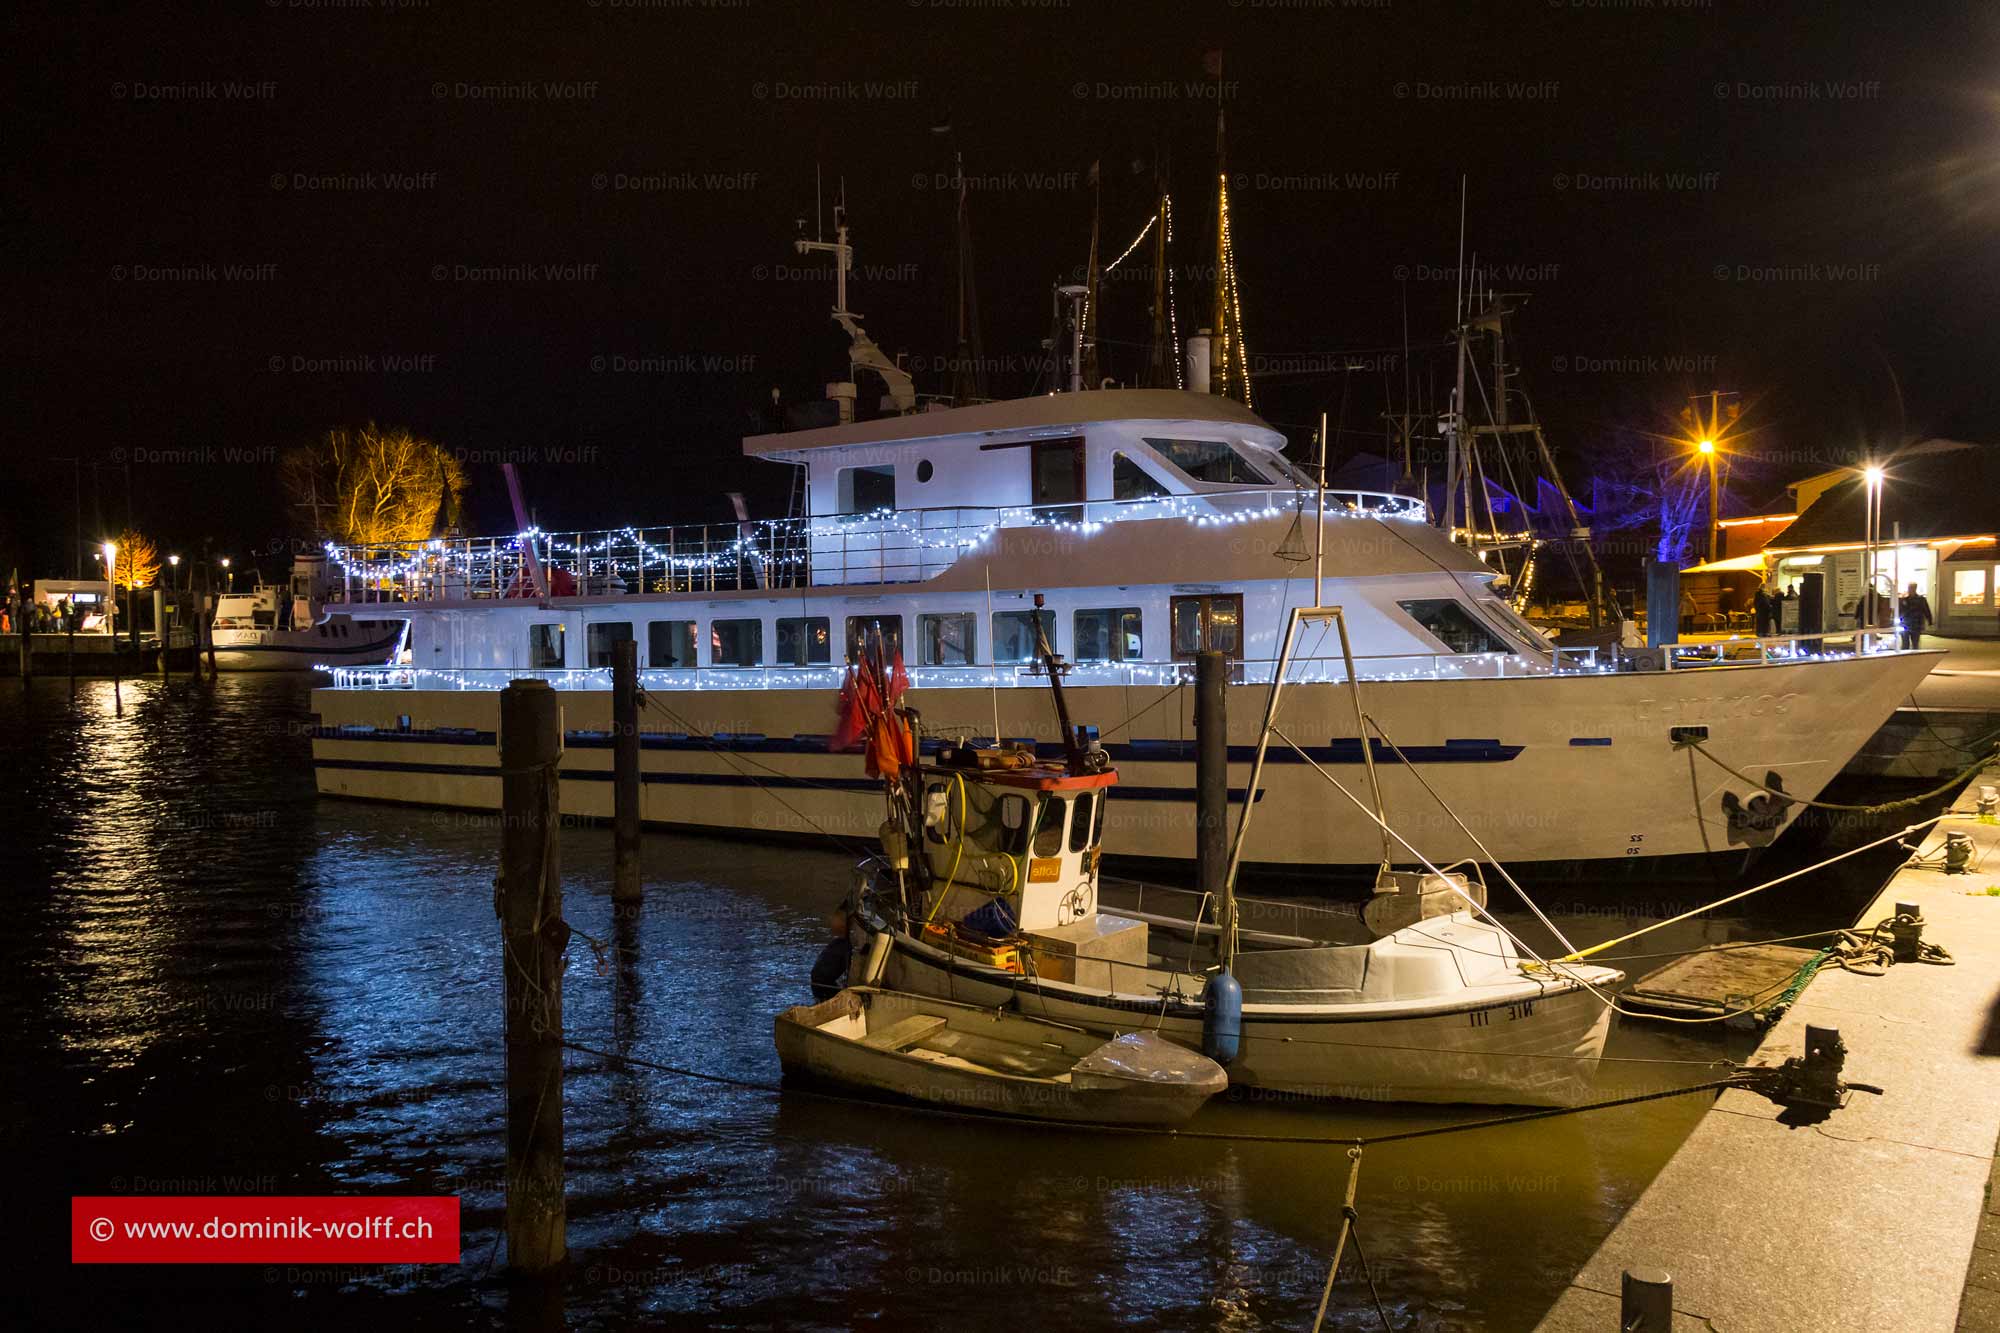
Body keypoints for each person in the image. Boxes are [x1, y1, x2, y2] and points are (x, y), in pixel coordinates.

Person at [1898, 582, 1934, 650]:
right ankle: (1905, 656)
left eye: (1911, 588)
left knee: (1915, 642)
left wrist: (1930, 620)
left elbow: (1926, 610)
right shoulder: (1904, 599)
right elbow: (1899, 611)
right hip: (1905, 624)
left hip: (1916, 624)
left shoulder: (1921, 599)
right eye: (1909, 588)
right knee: (1905, 643)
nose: (1910, 589)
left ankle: (1914, 656)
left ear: (1915, 589)